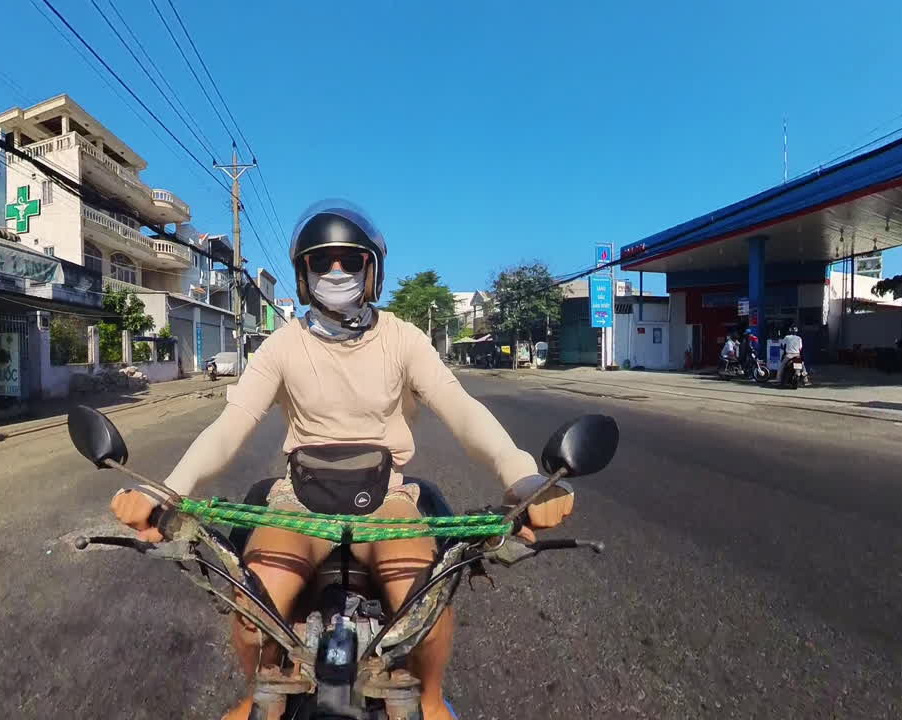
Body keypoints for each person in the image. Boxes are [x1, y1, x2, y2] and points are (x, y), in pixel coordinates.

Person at [108, 200, 575, 720]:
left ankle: (430, 696)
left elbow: (462, 411)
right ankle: (259, 693)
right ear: (304, 275)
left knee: (426, 607)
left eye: (349, 260)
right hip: (298, 499)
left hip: (387, 496)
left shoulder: (403, 338)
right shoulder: (283, 344)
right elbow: (230, 425)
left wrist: (523, 476)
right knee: (250, 612)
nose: (336, 271)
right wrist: (165, 491)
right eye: (321, 261)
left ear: (371, 269)